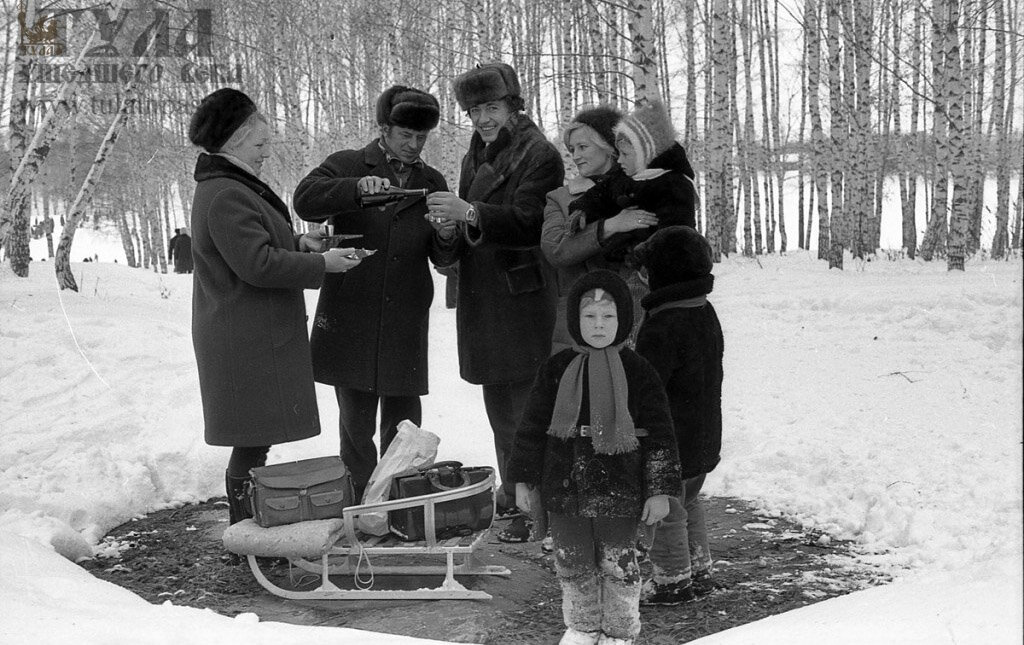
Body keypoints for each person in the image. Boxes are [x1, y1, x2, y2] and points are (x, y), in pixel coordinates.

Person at [187, 88, 361, 541]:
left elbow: (257, 248)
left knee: (253, 435)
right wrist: (322, 264)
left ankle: (246, 526)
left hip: (247, 331)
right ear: (235, 140)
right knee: (250, 437)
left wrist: (301, 245)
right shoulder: (225, 193)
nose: (266, 154)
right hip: (243, 335)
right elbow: (256, 265)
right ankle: (242, 530)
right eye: (261, 145)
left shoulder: (231, 187)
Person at [293, 85, 452, 500]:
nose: (415, 145)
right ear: (384, 129)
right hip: (353, 317)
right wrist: (355, 189)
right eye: (406, 136)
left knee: (405, 428)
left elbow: (443, 255)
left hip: (405, 319)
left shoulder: (432, 180)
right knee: (356, 427)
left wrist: (449, 231)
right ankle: (360, 508)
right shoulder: (346, 164)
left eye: (422, 138)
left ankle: (400, 505)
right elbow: (304, 200)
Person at [427, 62, 564, 542]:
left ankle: (540, 508)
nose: (483, 118)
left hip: (521, 299)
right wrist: (450, 230)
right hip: (486, 300)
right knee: (501, 408)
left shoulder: (539, 154)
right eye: (475, 110)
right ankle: (515, 494)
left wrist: (469, 211)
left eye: (492, 107)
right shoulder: (476, 153)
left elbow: (530, 222)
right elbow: (474, 225)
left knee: (527, 410)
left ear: (513, 106)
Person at [508, 269, 681, 645]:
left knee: (620, 564)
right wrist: (524, 479)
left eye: (608, 316)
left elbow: (661, 436)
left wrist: (659, 490)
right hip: (565, 490)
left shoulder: (639, 371)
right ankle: (583, 627)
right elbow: (532, 428)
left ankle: (619, 632)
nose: (599, 326)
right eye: (589, 316)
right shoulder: (556, 369)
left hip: (621, 491)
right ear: (574, 319)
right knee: (572, 563)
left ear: (623, 320)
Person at [633, 226, 725, 604]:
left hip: (672, 443)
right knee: (688, 501)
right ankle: (699, 570)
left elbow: (646, 389)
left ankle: (672, 581)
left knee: (666, 511)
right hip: (702, 437)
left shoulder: (662, 326)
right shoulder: (704, 311)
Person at [542, 106, 659, 353]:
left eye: (583, 147)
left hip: (639, 316)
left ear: (608, 146)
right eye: (572, 149)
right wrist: (611, 225)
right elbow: (555, 250)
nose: (575, 156)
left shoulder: (645, 188)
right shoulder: (560, 199)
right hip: (579, 324)